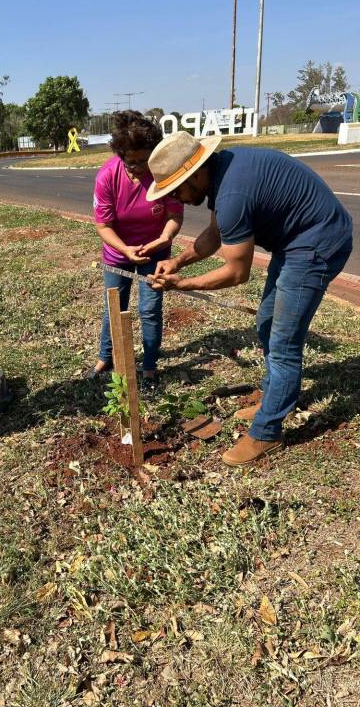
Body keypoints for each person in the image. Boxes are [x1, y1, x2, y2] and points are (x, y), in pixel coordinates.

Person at [146, 130, 353, 466]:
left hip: (317, 244)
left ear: (194, 174)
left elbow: (236, 273)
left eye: (176, 190)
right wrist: (177, 262)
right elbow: (215, 234)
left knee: (283, 344)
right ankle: (276, 399)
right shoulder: (223, 172)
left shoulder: (232, 194)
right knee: (267, 323)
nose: (176, 199)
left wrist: (183, 284)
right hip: (294, 243)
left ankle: (267, 433)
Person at [88, 111, 183, 390]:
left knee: (150, 309)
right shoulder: (108, 176)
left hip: (155, 252)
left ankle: (150, 365)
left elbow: (175, 216)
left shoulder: (163, 173)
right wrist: (125, 249)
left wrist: (163, 239)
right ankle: (106, 357)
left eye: (145, 160)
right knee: (114, 307)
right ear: (121, 155)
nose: (139, 168)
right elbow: (103, 226)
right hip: (118, 254)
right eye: (132, 162)